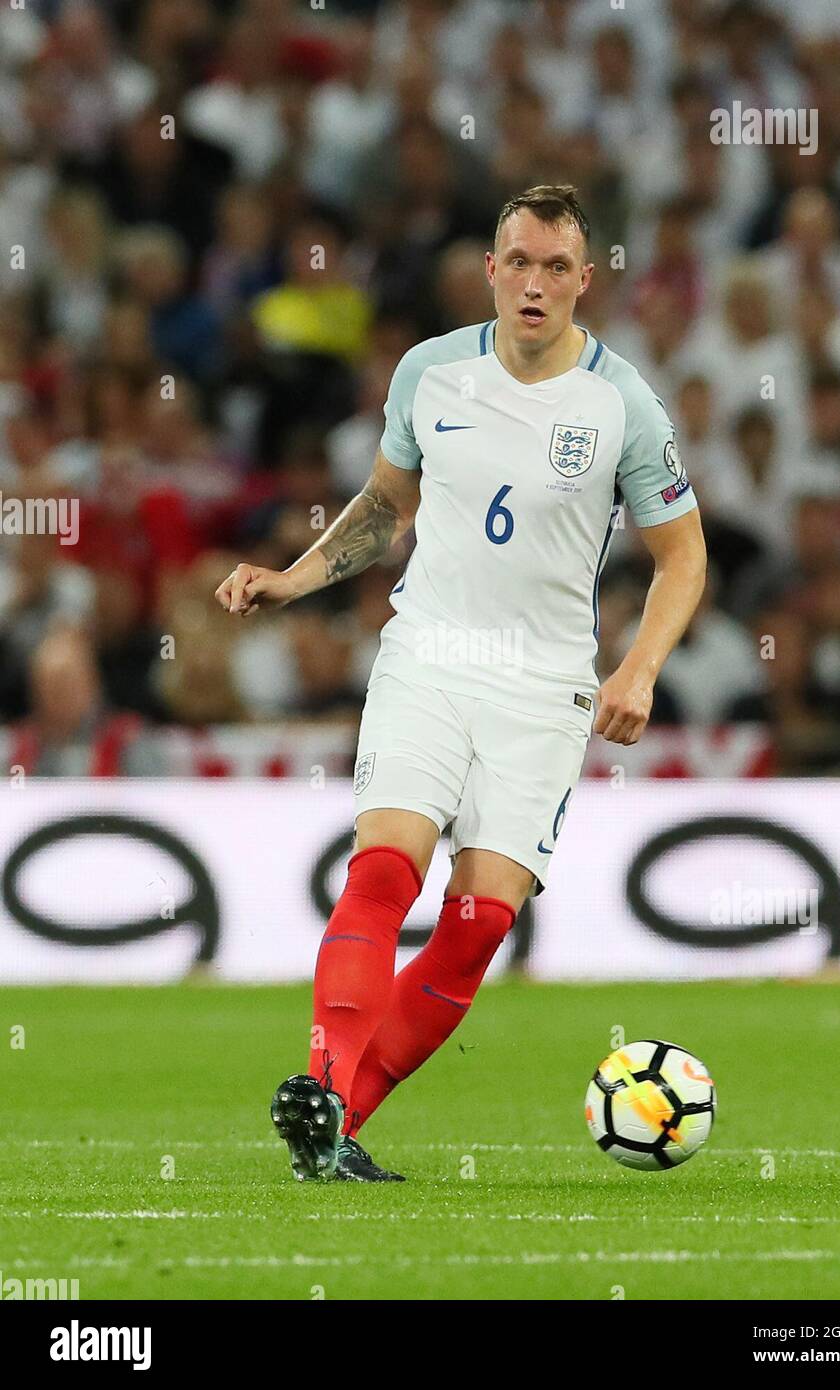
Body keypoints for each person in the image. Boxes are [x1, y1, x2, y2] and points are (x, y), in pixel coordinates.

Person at [214, 185, 707, 1182]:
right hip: (429, 652)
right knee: (383, 871)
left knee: (478, 922)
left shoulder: (623, 405)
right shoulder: (428, 373)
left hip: (545, 686)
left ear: (584, 280)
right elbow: (382, 507)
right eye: (516, 262)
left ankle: (335, 1118)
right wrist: (293, 578)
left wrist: (639, 667)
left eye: (554, 267)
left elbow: (682, 555)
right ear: (489, 269)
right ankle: (324, 1083)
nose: (533, 283)